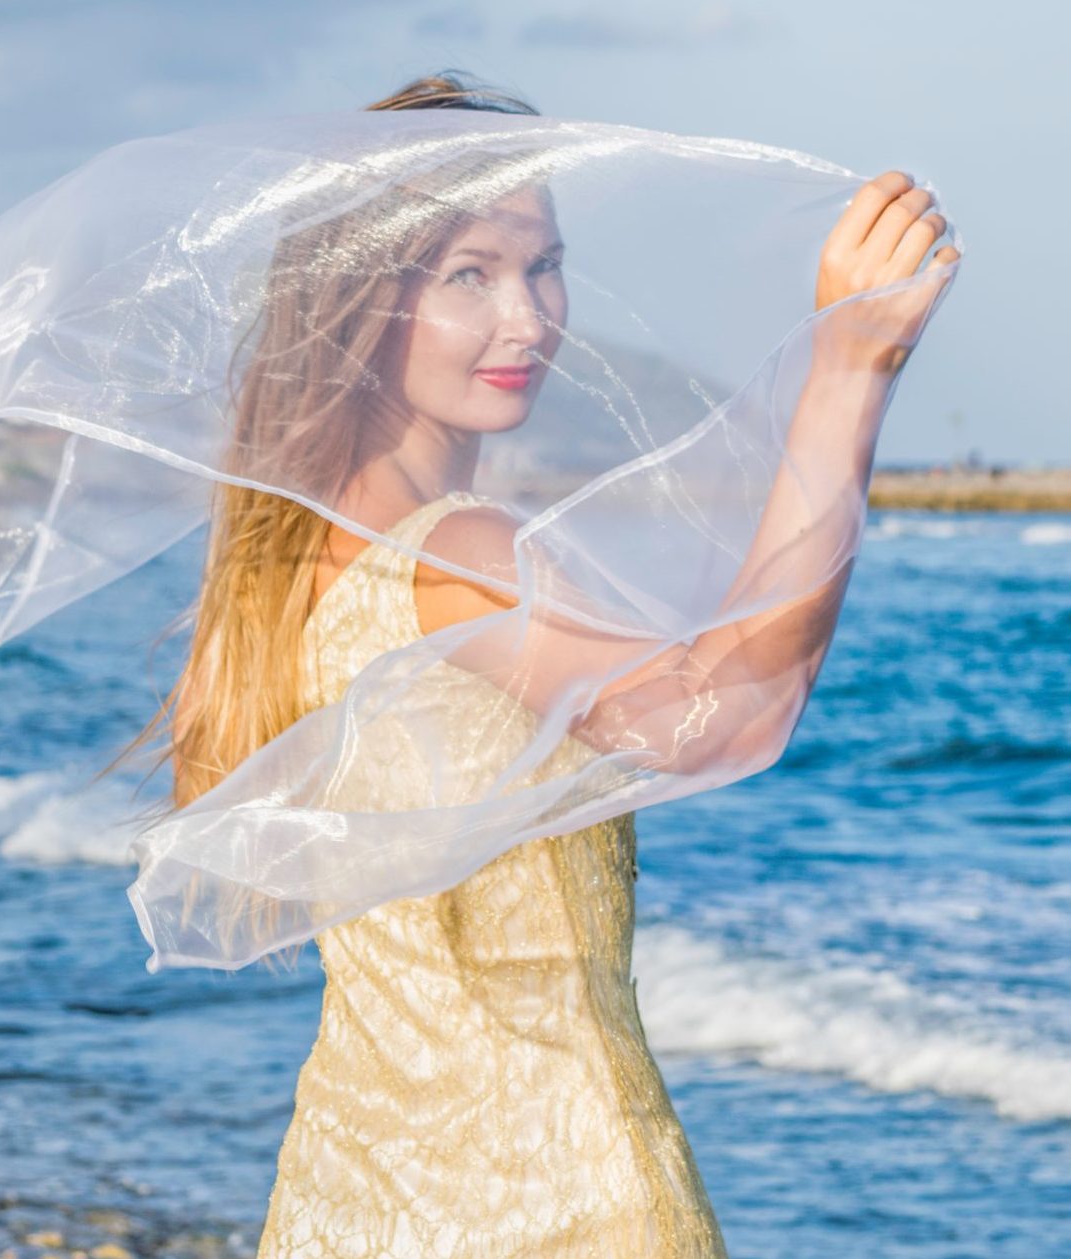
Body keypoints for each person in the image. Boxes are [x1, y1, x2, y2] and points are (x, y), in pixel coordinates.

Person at [105, 71, 956, 1257]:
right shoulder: (464, 552)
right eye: (466, 273)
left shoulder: (282, 567)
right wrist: (848, 369)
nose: (528, 317)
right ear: (362, 300)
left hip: (348, 1190)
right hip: (560, 1194)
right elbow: (718, 717)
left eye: (542, 265)